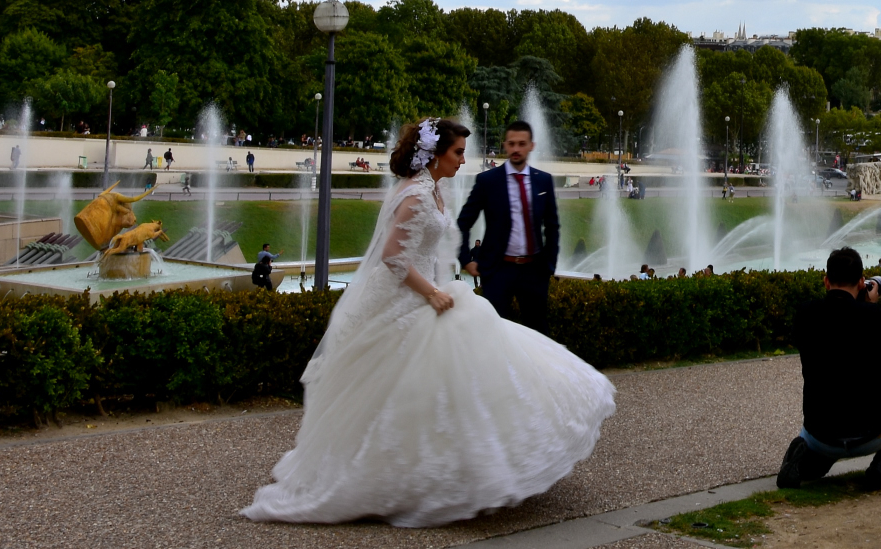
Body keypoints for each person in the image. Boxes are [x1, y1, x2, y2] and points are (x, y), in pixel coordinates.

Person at [244, 118, 614, 525]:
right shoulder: (416, 195)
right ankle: (412, 476)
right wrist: (432, 292)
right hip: (407, 300)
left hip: (428, 292)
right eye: (457, 153)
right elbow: (392, 256)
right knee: (419, 382)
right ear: (436, 155)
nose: (462, 160)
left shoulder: (432, 188)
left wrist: (447, 281)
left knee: (465, 368)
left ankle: (466, 467)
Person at [778, 247, 881, 493]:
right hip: (872, 431)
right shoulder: (872, 315)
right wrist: (870, 308)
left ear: (826, 281)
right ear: (862, 282)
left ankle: (801, 459)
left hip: (822, 433)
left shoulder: (806, 313)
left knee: (814, 450)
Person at [459, 120, 559, 330]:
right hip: (498, 270)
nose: (516, 149)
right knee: (494, 333)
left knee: (538, 333)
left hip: (534, 270)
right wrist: (465, 259)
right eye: (511, 144)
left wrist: (549, 265)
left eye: (522, 144)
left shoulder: (543, 181)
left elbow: (552, 226)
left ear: (531, 145)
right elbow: (464, 222)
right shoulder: (487, 181)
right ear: (504, 144)